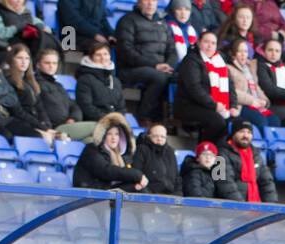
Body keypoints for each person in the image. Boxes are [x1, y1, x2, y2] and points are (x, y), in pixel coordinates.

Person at [115, 0, 178, 128]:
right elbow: (126, 52)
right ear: (139, 3)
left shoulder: (163, 24)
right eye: (146, 0)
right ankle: (145, 116)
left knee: (178, 78)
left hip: (159, 68)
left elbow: (172, 50)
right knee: (159, 77)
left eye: (153, 1)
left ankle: (173, 122)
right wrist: (155, 65)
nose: (150, 4)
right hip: (131, 68)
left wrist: (168, 65)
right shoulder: (127, 21)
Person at [175, 30, 234, 143]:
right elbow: (194, 87)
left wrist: (234, 105)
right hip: (189, 105)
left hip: (213, 106)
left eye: (213, 43)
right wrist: (214, 104)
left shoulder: (220, 62)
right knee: (217, 122)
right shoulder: (191, 60)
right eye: (206, 42)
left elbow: (230, 86)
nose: (209, 46)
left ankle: (219, 156)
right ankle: (205, 151)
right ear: (198, 43)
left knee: (236, 124)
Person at [72, 111, 148, 190]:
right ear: (103, 135)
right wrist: (136, 175)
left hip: (104, 197)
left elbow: (114, 188)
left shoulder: (123, 156)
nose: (113, 138)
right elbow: (106, 171)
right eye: (109, 134)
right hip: (86, 198)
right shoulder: (92, 149)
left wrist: (133, 187)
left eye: (117, 134)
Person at [36, 47, 93, 140]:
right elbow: (48, 110)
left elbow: (74, 106)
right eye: (47, 63)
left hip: (69, 126)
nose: (51, 66)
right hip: (56, 129)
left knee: (91, 141)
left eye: (54, 63)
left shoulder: (59, 86)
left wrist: (73, 118)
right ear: (38, 65)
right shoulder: (36, 84)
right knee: (100, 127)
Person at [219, 118, 276, 202]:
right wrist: (241, 205)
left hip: (255, 206)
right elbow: (223, 182)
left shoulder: (256, 154)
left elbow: (267, 181)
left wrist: (271, 205)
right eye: (242, 131)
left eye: (249, 132)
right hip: (232, 207)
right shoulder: (221, 154)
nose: (245, 136)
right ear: (233, 134)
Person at [76, 39, 128, 122]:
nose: (103, 58)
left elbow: (121, 107)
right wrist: (108, 119)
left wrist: (117, 119)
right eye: (98, 55)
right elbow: (86, 107)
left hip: (113, 124)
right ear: (91, 57)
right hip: (93, 122)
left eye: (105, 54)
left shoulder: (115, 81)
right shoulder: (85, 79)